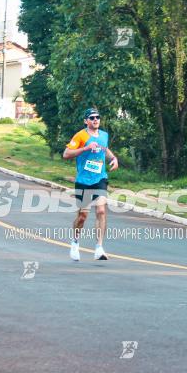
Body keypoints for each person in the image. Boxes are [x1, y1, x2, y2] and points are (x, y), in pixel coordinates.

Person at [63, 107, 118, 261]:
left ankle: (99, 248)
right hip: (83, 181)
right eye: (92, 118)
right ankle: (75, 242)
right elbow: (66, 154)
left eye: (97, 117)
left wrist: (113, 158)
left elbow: (104, 149)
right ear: (86, 121)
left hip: (100, 178)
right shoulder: (80, 136)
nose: (95, 120)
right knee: (82, 216)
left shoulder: (104, 135)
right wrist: (86, 148)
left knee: (101, 211)